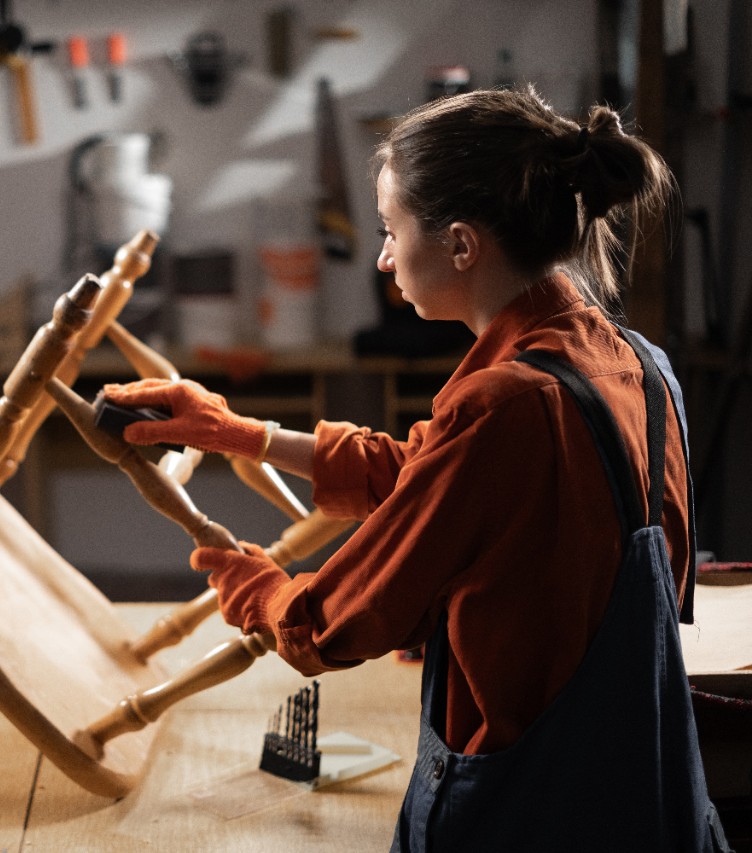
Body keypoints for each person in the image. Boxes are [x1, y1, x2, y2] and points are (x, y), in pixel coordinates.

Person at [102, 87, 731, 852]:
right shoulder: (637, 365)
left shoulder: (503, 404)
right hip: (649, 796)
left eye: (392, 229)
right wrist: (241, 432)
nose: (384, 257)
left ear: (463, 245)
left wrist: (259, 588)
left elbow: (331, 622)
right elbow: (439, 479)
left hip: (530, 811)